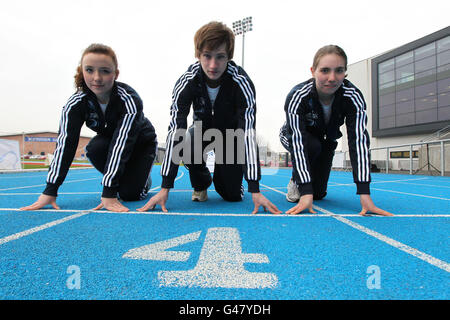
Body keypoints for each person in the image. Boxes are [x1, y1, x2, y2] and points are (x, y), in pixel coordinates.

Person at [138, 21, 280, 214]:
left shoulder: (241, 83)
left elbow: (247, 133)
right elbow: (176, 131)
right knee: (188, 140)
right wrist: (165, 187)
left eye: (220, 57)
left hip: (231, 137)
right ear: (198, 55)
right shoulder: (187, 82)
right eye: (207, 56)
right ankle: (201, 183)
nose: (213, 65)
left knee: (231, 196)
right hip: (201, 132)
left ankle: (230, 181)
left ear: (229, 57)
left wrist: (254, 188)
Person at [20, 43, 157, 212]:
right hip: (109, 141)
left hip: (141, 143)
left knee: (130, 194)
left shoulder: (129, 100)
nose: (97, 78)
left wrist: (108, 192)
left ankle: (143, 180)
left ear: (116, 74)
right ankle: (125, 178)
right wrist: (50, 190)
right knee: (93, 148)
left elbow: (122, 144)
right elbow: (65, 145)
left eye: (105, 71)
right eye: (90, 70)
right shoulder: (75, 104)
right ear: (82, 70)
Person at [279, 45, 393, 216]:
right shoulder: (298, 96)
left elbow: (359, 143)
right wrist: (305, 190)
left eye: (338, 71)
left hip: (326, 140)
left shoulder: (352, 97)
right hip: (295, 137)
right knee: (312, 149)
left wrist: (365, 194)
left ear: (345, 73)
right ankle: (296, 180)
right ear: (313, 71)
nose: (332, 78)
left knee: (318, 194)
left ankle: (310, 185)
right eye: (325, 70)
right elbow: (298, 142)